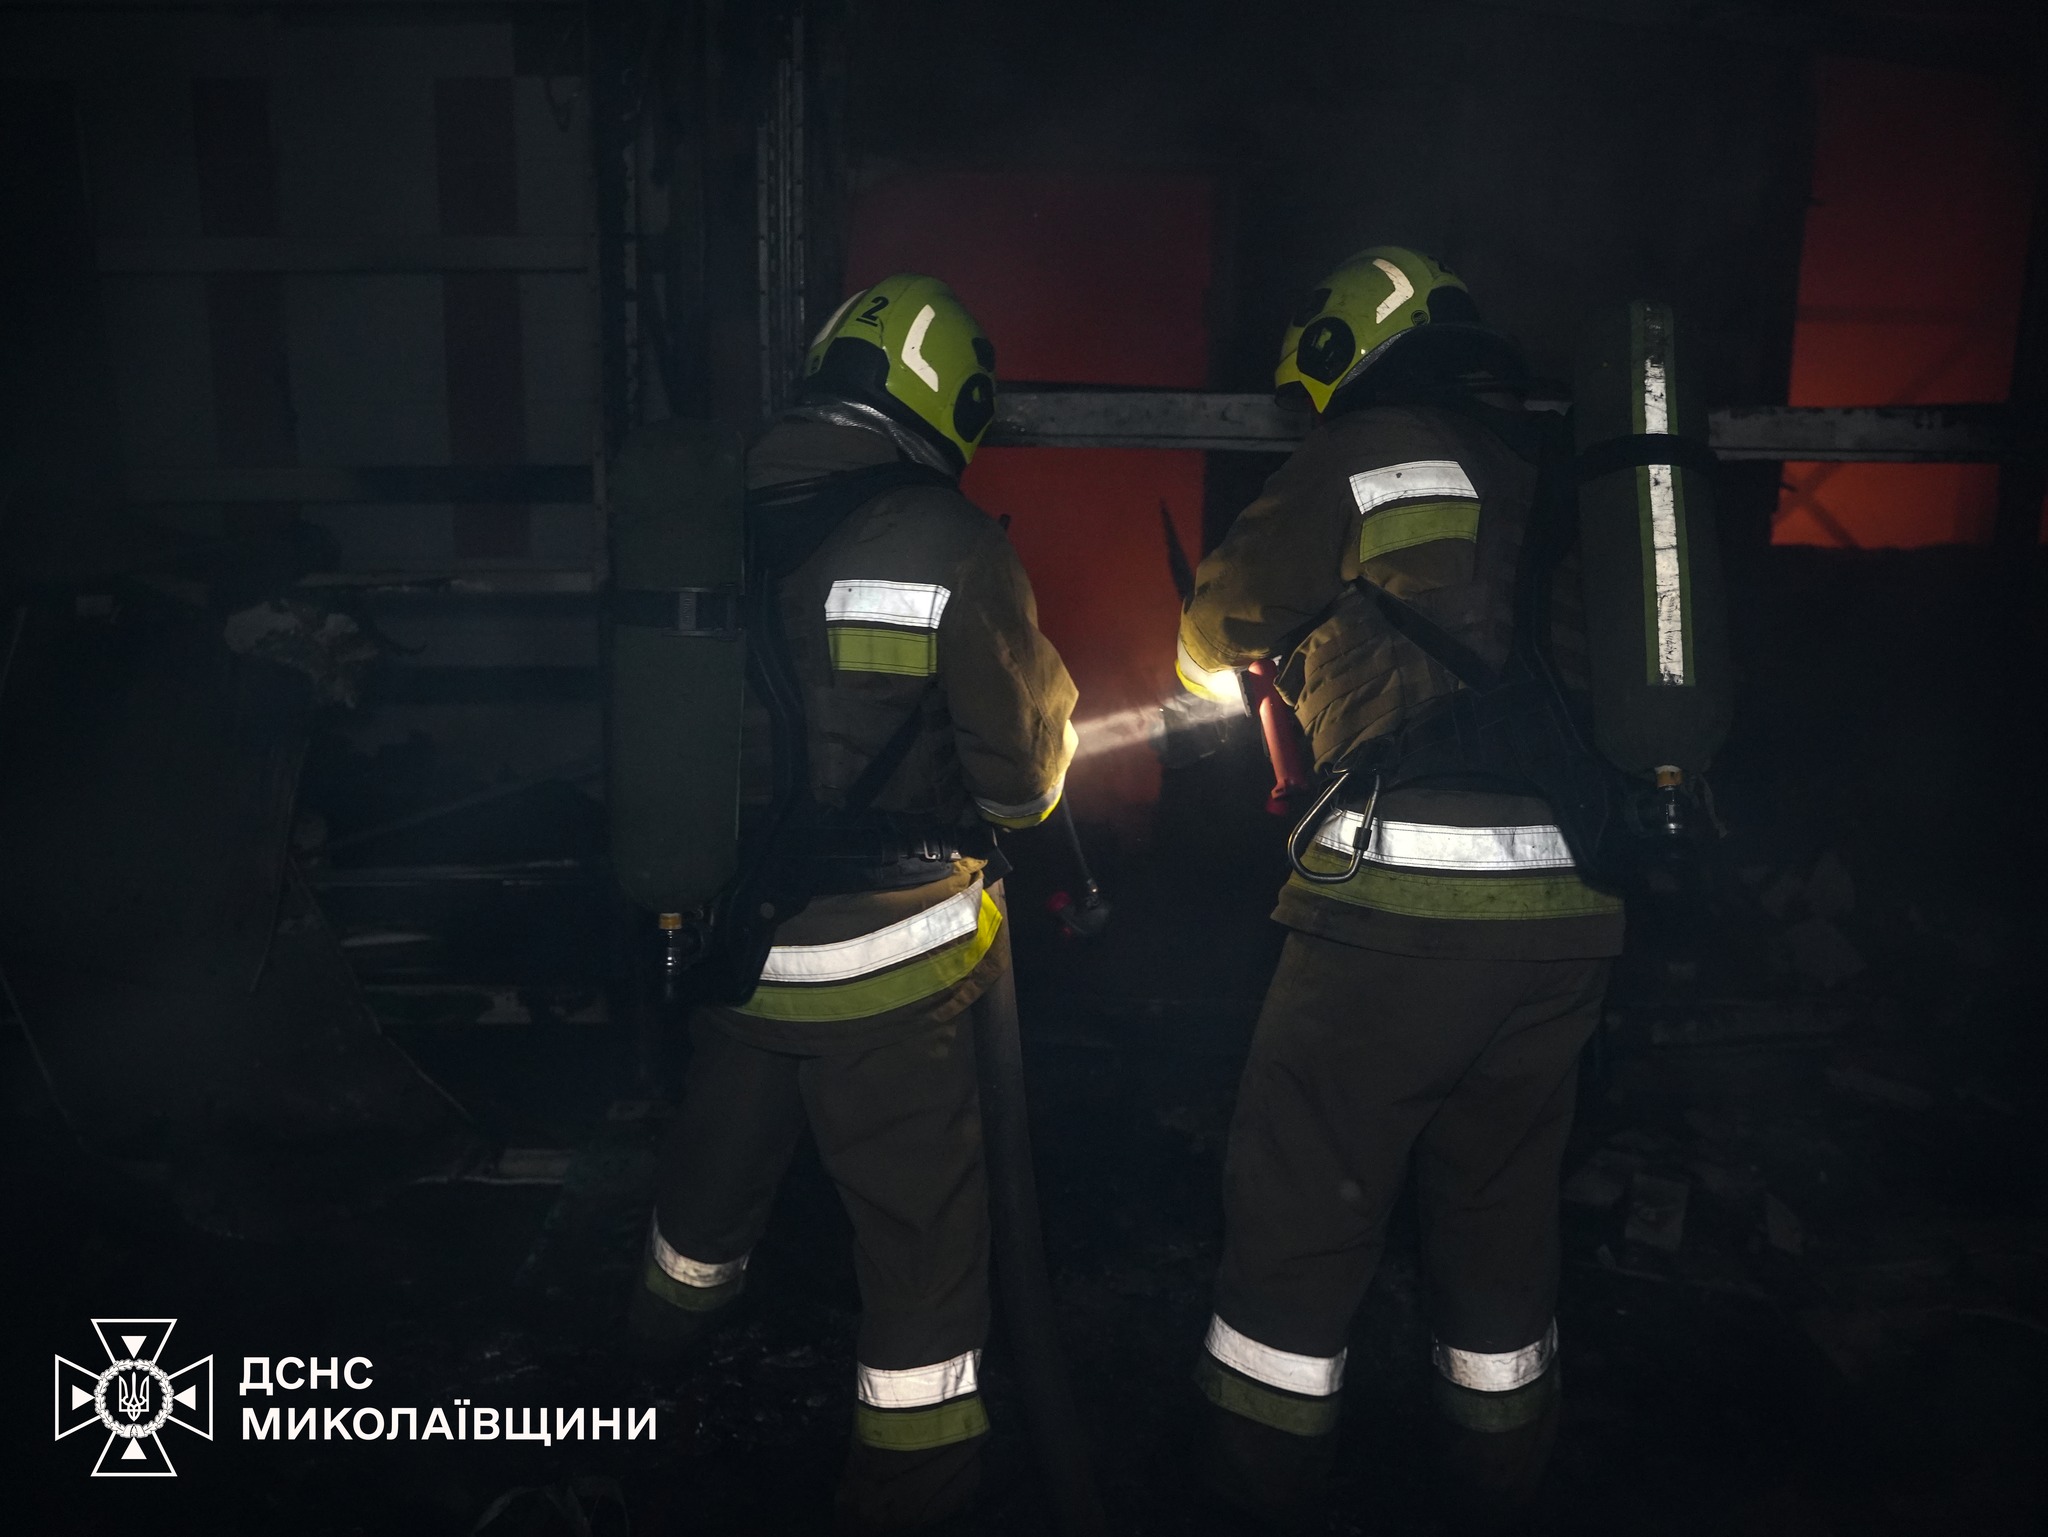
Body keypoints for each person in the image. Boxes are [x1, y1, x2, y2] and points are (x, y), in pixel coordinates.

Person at [1176, 245, 1623, 1530]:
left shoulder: (1363, 448)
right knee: (1499, 1217)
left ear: (1343, 352)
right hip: (1571, 912)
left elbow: (1215, 630)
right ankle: (1496, 1486)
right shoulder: (1554, 462)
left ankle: (1253, 1490)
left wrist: (1257, 677)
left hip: (1398, 918)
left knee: (1300, 1204)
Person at [632, 273, 1078, 1533]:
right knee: (922, 1261)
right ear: (953, 406)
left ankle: (635, 1401)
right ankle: (907, 1498)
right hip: (891, 974)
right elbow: (1020, 782)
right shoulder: (950, 541)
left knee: (699, 1215)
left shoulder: (700, 509)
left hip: (725, 945)